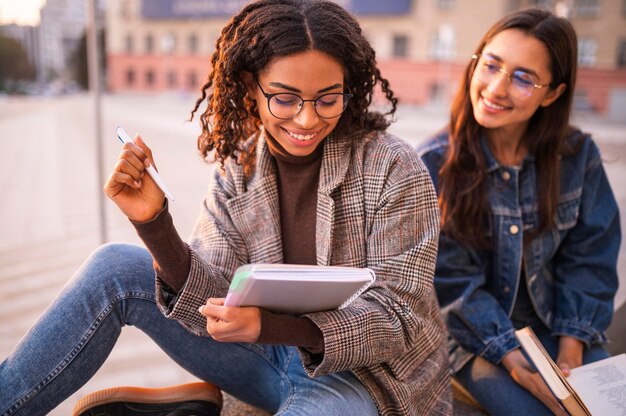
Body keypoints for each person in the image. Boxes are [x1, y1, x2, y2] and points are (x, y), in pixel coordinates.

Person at [0, 1, 452, 415]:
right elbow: (210, 293)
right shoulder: (242, 167)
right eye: (285, 97)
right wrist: (154, 224)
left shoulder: (393, 166)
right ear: (250, 89)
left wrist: (269, 328)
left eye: (327, 98)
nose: (307, 118)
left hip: (365, 379)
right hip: (261, 355)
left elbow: (399, 319)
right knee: (114, 265)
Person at [417, 8, 620, 416]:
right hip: (476, 337)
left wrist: (571, 349)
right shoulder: (435, 164)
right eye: (491, 65)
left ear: (552, 94)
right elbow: (454, 284)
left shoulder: (577, 156)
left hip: (558, 323)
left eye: (524, 78)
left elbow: (590, 257)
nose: (496, 88)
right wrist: (511, 356)